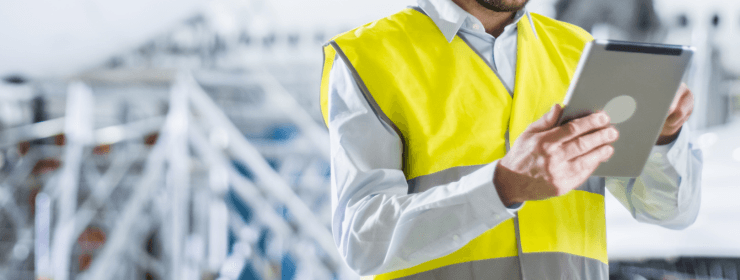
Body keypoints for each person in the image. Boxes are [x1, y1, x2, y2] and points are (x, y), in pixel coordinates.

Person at [318, 0, 703, 279]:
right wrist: (501, 186)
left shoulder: (580, 52)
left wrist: (664, 137)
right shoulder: (368, 58)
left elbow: (670, 209)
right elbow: (362, 241)